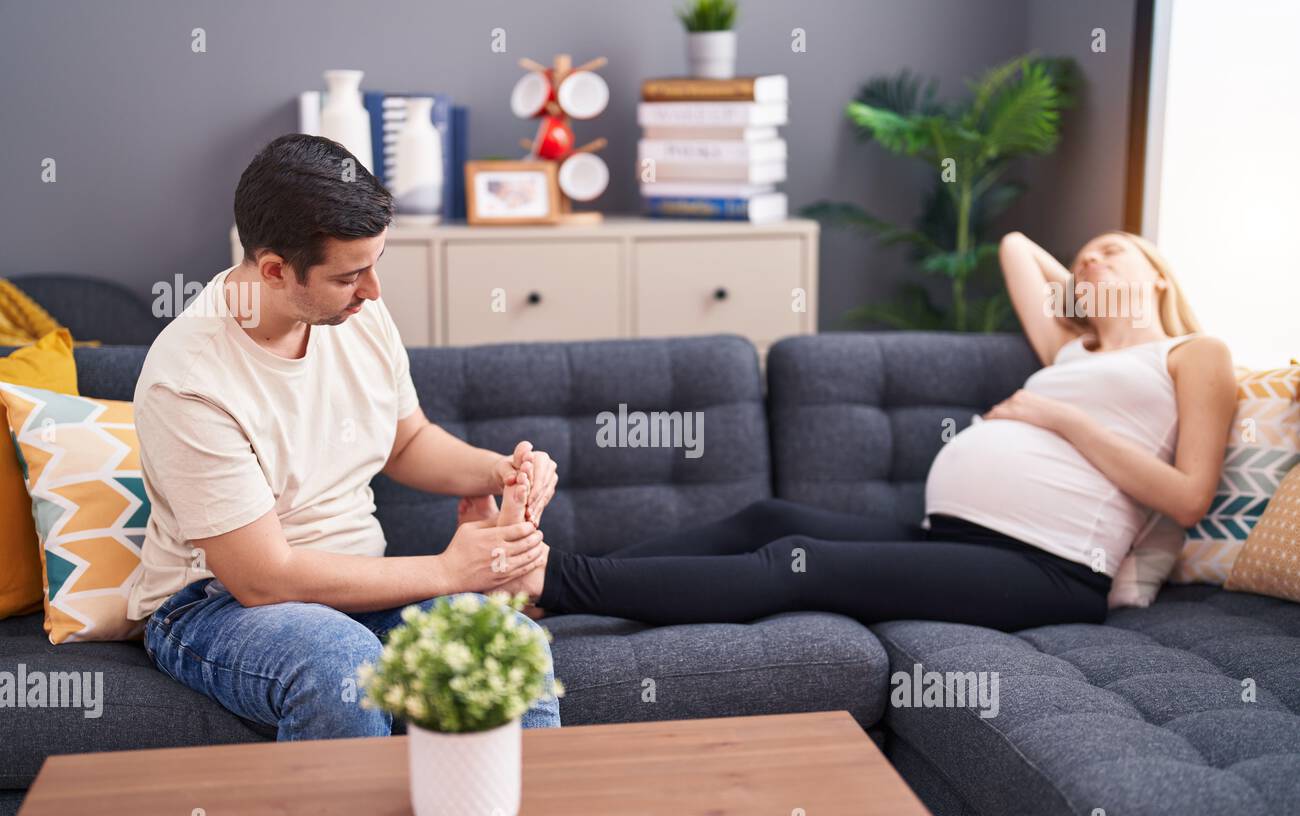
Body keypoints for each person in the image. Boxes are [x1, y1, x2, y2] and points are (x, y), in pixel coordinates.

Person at [495, 230, 1238, 632]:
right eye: (1081, 258)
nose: (1090, 260)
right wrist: (1092, 296)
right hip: (959, 539)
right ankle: (550, 592)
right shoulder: (1073, 350)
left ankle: (554, 579)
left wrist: (1058, 415)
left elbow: (1187, 497)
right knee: (768, 516)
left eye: (1114, 250)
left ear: (1162, 275)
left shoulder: (1190, 354)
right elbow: (1016, 246)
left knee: (799, 560)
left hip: (1050, 570)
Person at [128, 134, 561, 739]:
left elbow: (406, 443)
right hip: (216, 603)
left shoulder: (353, 312)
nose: (374, 292)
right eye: (351, 275)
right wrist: (451, 570)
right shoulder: (189, 380)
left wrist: (500, 470)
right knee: (341, 666)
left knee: (510, 644)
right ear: (275, 270)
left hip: (360, 584)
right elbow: (263, 578)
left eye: (375, 265)